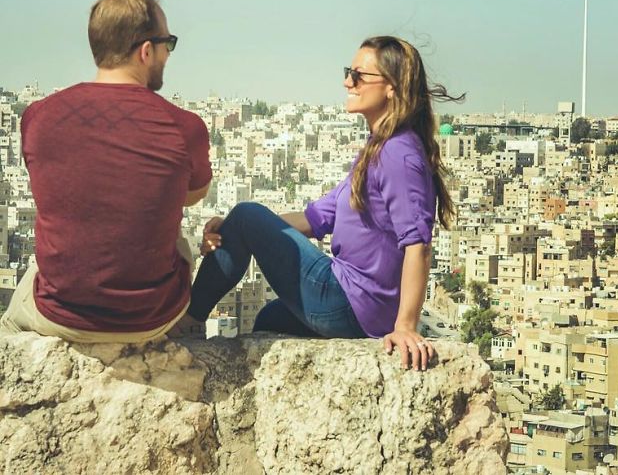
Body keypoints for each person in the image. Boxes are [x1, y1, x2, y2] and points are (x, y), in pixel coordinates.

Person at [182, 36, 463, 370]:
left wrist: (405, 327)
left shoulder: (397, 153)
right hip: (353, 304)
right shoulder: (378, 148)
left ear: (392, 87)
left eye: (358, 75)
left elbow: (418, 244)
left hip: (352, 304)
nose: (347, 82)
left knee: (245, 214)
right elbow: (315, 219)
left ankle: (187, 323)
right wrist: (236, 232)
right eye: (349, 72)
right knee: (270, 318)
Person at [0, 0, 212, 343]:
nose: (167, 55)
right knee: (173, 226)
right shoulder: (184, 126)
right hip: (152, 316)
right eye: (168, 44)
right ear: (146, 51)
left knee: (13, 317)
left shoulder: (38, 116)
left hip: (59, 316)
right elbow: (194, 195)